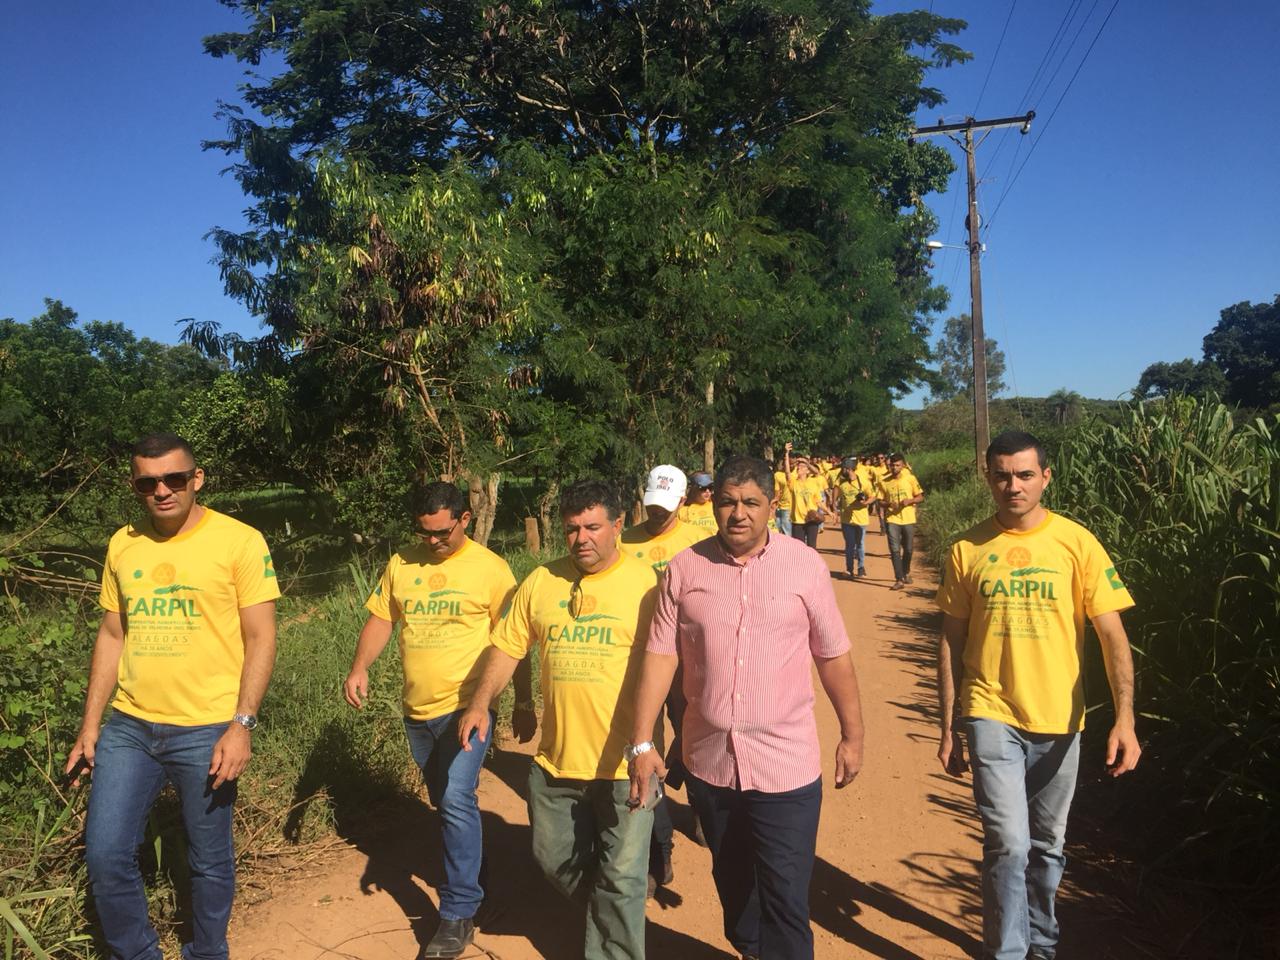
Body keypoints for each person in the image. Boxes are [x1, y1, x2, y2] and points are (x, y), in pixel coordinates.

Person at [629, 455, 866, 960]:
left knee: (785, 894)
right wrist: (643, 741)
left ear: (771, 505)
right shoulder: (684, 569)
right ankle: (751, 948)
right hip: (710, 763)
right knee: (733, 882)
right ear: (712, 505)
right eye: (728, 502)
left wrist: (853, 734)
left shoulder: (804, 566)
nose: (738, 514)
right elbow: (661, 655)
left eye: (751, 503)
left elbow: (832, 655)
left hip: (786, 765)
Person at [66, 432, 279, 960]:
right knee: (106, 853)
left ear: (196, 478)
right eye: (148, 483)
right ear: (135, 486)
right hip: (130, 726)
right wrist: (90, 725)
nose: (162, 491)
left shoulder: (239, 541)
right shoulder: (123, 544)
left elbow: (261, 637)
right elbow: (112, 635)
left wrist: (242, 725)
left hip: (208, 728)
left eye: (174, 478)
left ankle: (207, 952)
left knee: (208, 858)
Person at [935, 430, 1141, 960]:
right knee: (1009, 842)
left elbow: (1112, 635)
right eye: (1002, 475)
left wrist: (1125, 719)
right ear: (987, 478)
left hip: (1061, 718)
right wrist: (949, 723)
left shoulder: (1077, 543)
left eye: (1025, 474)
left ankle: (1042, 945)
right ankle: (1008, 951)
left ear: (1045, 477)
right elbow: (951, 639)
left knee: (1048, 847)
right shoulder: (966, 548)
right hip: (990, 711)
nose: (1014, 486)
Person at [458, 480, 658, 960]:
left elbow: (674, 662)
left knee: (623, 878)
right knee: (552, 861)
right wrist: (481, 702)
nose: (581, 538)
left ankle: (614, 935)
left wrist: (665, 740)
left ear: (618, 525)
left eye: (593, 527)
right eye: (571, 529)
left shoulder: (649, 585)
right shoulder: (541, 581)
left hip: (625, 762)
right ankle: (612, 910)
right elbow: (508, 646)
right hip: (556, 763)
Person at [343, 482, 517, 958]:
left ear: (464, 519)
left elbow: (513, 640)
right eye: (425, 533)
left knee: (457, 797)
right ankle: (475, 876)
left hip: (470, 706)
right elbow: (383, 618)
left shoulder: (491, 569)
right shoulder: (402, 563)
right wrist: (360, 666)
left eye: (443, 532)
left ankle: (457, 913)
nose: (434, 541)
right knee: (444, 802)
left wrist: (519, 701)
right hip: (417, 711)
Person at [619, 464, 707, 893]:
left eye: (666, 507)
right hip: (642, 662)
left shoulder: (700, 542)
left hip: (690, 661)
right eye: (652, 505)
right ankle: (659, 849)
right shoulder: (625, 540)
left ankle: (703, 809)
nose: (657, 513)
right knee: (644, 746)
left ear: (683, 501)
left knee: (695, 740)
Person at [879, 452, 924, 590]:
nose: (894, 468)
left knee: (908, 549)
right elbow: (880, 501)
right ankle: (899, 579)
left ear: (903, 465)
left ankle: (906, 572)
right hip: (892, 519)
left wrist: (910, 501)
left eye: (897, 465)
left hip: (908, 518)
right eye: (892, 465)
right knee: (894, 550)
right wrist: (888, 504)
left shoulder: (910, 479)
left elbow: (920, 497)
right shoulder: (884, 482)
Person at [835, 458, 877, 579]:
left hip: (861, 519)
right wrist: (835, 507)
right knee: (849, 545)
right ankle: (849, 569)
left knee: (860, 544)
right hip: (846, 519)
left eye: (843, 468)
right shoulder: (842, 484)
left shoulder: (863, 482)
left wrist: (865, 503)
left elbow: (873, 496)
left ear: (848, 469)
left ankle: (861, 568)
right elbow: (838, 498)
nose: (841, 471)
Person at [784, 445, 827, 549]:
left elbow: (818, 502)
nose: (799, 467)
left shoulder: (813, 483)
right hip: (798, 521)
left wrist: (829, 512)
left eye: (802, 467)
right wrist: (786, 454)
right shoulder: (793, 483)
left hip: (811, 519)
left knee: (812, 547)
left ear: (807, 471)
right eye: (798, 466)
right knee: (799, 548)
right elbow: (787, 472)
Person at [678, 471, 719, 538]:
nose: (707, 491)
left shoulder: (716, 506)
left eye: (710, 487)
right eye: (703, 488)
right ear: (693, 489)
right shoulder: (681, 511)